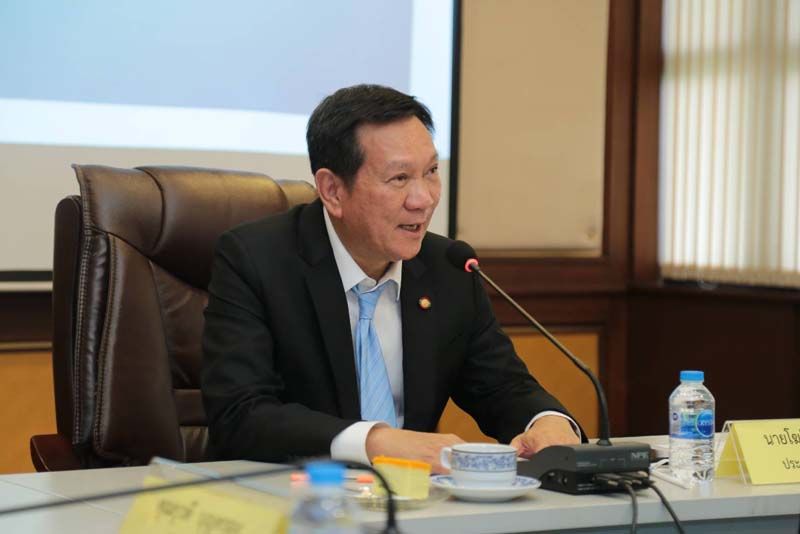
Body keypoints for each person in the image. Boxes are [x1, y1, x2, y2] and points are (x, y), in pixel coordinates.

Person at [201, 84, 580, 471]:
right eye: (399, 178)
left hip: (412, 499)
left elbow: (502, 386)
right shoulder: (256, 260)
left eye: (431, 172)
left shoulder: (448, 268)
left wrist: (545, 421)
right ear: (332, 190)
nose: (424, 199)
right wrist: (375, 441)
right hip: (289, 495)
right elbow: (240, 415)